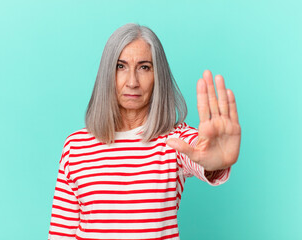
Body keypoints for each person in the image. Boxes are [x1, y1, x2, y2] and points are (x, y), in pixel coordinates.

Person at [48, 23, 241, 240]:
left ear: (158, 76)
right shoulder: (76, 146)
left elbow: (200, 152)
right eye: (120, 66)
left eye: (144, 67)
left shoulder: (175, 140)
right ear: (106, 74)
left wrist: (215, 163)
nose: (132, 82)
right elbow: (61, 234)